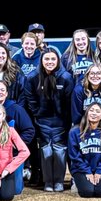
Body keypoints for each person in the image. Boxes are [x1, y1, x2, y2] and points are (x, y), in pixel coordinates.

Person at [26, 46, 71, 193]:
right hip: (41, 121)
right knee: (46, 151)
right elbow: (30, 98)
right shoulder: (33, 77)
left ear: (58, 60)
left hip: (60, 122)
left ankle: (58, 181)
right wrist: (37, 113)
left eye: (53, 59)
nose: (50, 62)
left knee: (59, 151)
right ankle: (48, 181)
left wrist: (65, 119)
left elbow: (69, 101)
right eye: (46, 59)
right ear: (41, 60)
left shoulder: (66, 78)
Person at [67, 102, 101, 198]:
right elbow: (74, 155)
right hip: (81, 169)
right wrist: (87, 171)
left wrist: (100, 170)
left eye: (97, 111)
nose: (94, 113)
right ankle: (76, 182)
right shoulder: (75, 131)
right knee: (87, 192)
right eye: (91, 110)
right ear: (87, 113)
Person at [71, 64, 101, 133]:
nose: (95, 76)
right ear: (87, 76)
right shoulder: (79, 89)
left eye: (98, 73)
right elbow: (77, 115)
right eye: (92, 73)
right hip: (84, 127)